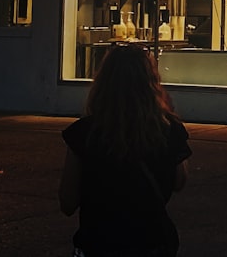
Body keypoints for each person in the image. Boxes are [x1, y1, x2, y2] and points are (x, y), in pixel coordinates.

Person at [60, 44, 192, 257]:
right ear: (150, 83)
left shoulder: (84, 133)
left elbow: (67, 202)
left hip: (99, 243)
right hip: (152, 243)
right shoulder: (168, 130)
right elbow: (180, 182)